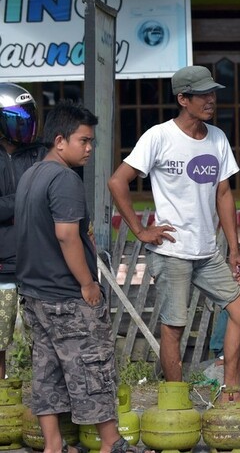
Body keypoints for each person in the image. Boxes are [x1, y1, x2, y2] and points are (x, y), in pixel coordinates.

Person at [108, 65, 240, 393]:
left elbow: (224, 193)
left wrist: (234, 249)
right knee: (174, 327)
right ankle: (177, 399)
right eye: (203, 94)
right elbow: (117, 182)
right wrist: (141, 230)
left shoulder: (218, 138)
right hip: (172, 252)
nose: (211, 99)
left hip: (208, 252)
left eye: (213, 93)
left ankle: (230, 390)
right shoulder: (159, 137)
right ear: (183, 98)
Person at [15, 102, 137, 453]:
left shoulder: (31, 176)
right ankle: (111, 443)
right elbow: (66, 235)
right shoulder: (65, 179)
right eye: (83, 140)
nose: (89, 148)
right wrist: (87, 282)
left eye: (91, 141)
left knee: (47, 369)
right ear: (59, 141)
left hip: (35, 293)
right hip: (66, 294)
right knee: (93, 366)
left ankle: (54, 445)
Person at [0, 83, 47, 379]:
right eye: (18, 117)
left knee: (43, 343)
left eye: (28, 116)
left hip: (39, 266)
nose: (25, 123)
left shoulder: (41, 153)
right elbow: (35, 198)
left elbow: (53, 199)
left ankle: (41, 406)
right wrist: (25, 199)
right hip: (2, 269)